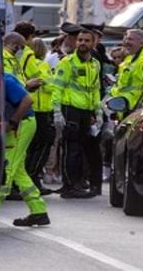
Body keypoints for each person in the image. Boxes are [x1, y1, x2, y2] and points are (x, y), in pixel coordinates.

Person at [0, 69, 51, 227]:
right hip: (21, 124)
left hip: (21, 125)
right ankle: (38, 211)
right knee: (18, 171)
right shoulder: (1, 77)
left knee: (7, 167)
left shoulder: (5, 79)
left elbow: (27, 100)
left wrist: (12, 122)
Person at [52, 28, 103, 198]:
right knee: (71, 149)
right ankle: (69, 186)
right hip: (70, 109)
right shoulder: (67, 62)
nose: (82, 43)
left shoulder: (95, 64)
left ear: (93, 43)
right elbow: (57, 87)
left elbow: (95, 90)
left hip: (86, 112)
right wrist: (57, 112)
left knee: (85, 149)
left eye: (86, 40)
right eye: (80, 40)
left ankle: (80, 183)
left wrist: (99, 112)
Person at [13, 22, 56, 196]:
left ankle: (25, 182)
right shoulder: (29, 56)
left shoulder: (13, 54)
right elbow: (39, 80)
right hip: (36, 108)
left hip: (24, 105)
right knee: (41, 143)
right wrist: (48, 79)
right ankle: (29, 179)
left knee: (25, 147)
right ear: (28, 37)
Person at [111, 29, 143, 114]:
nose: (126, 42)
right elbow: (121, 86)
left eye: (130, 39)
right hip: (124, 107)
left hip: (136, 109)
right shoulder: (129, 59)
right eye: (125, 39)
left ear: (141, 43)